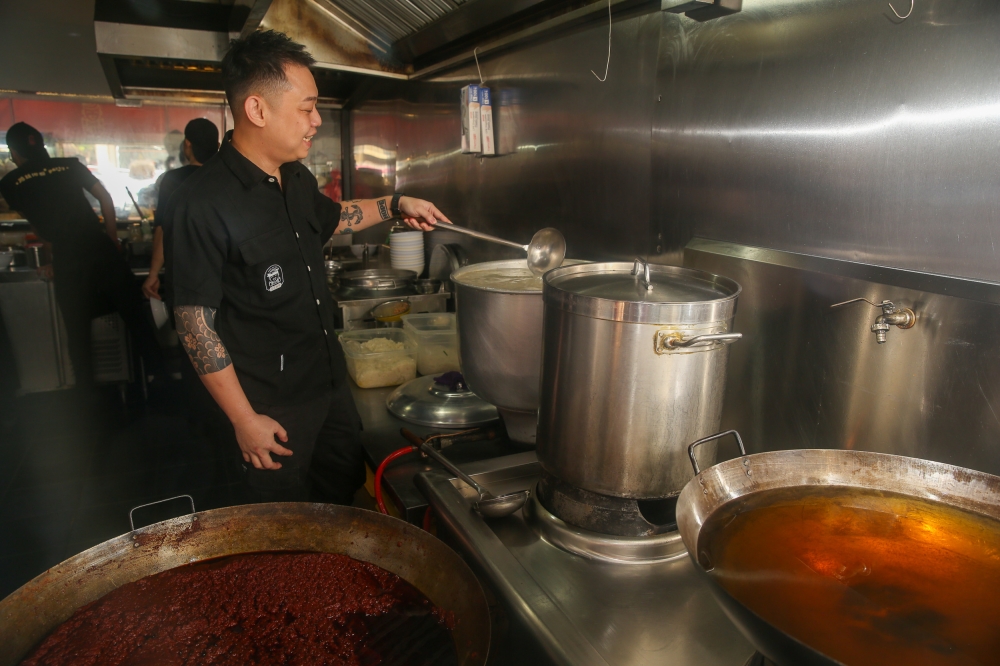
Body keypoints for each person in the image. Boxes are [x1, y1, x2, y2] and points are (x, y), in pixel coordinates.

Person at [166, 30, 450, 504]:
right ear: (257, 110)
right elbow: (194, 324)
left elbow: (336, 217)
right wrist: (243, 420)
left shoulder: (294, 176)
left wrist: (399, 204)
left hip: (328, 383)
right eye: (306, 108)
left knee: (340, 500)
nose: (316, 120)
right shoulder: (201, 203)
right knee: (283, 528)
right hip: (270, 406)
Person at [0, 122, 165, 391]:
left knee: (78, 338)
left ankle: (88, 405)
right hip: (100, 249)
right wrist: (111, 238)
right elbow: (105, 198)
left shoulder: (10, 183)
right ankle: (163, 385)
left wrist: (54, 259)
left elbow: (39, 226)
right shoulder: (70, 165)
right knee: (137, 321)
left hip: (69, 260)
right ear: (41, 145)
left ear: (15, 154)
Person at [143, 118, 220, 301]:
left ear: (187, 144)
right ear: (217, 146)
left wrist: (153, 274)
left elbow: (163, 229)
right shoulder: (227, 179)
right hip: (222, 281)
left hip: (184, 281)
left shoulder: (172, 181)